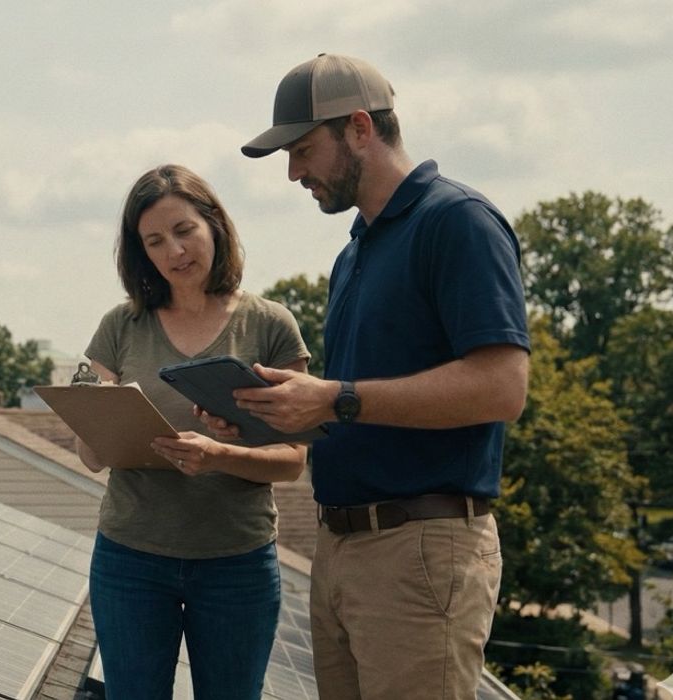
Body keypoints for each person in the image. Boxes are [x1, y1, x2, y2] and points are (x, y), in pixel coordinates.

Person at [215, 54, 531, 698]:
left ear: (360, 127)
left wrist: (336, 397)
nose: (293, 172)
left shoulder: (458, 221)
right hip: (342, 550)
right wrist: (270, 414)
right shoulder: (355, 249)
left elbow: (503, 388)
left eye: (303, 149)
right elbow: (357, 405)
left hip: (419, 549)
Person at [77, 164, 312, 699]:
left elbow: (294, 460)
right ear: (140, 253)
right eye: (154, 241)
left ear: (215, 225)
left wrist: (220, 455)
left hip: (237, 562)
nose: (174, 252)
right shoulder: (121, 326)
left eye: (184, 230)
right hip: (130, 558)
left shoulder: (271, 325)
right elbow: (90, 456)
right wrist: (96, 414)